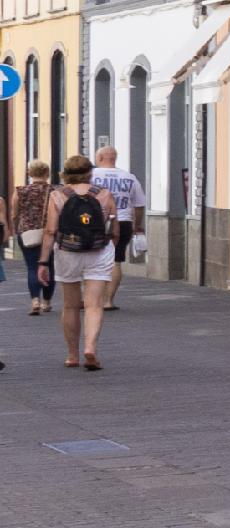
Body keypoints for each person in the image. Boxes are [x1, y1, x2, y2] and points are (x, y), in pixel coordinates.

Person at [47, 158, 116, 370]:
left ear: (64, 173)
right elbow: (115, 228)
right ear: (89, 173)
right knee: (94, 304)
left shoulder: (57, 195)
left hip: (68, 251)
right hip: (98, 250)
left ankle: (72, 355)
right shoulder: (104, 194)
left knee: (70, 305)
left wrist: (42, 261)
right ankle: (90, 348)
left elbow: (50, 230)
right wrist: (112, 244)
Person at [89, 141, 141, 310]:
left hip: (95, 221)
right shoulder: (129, 177)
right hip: (123, 220)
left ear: (100, 157)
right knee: (116, 261)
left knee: (91, 260)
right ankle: (108, 300)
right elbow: (139, 204)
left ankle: (91, 298)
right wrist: (137, 225)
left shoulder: (91, 176)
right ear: (115, 158)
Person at [11, 162, 50, 315]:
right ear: (47, 173)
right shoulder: (54, 190)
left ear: (29, 173)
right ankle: (47, 302)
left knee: (32, 267)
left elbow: (15, 213)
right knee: (49, 266)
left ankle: (35, 301)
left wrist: (17, 228)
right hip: (50, 233)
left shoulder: (20, 191)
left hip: (27, 233)